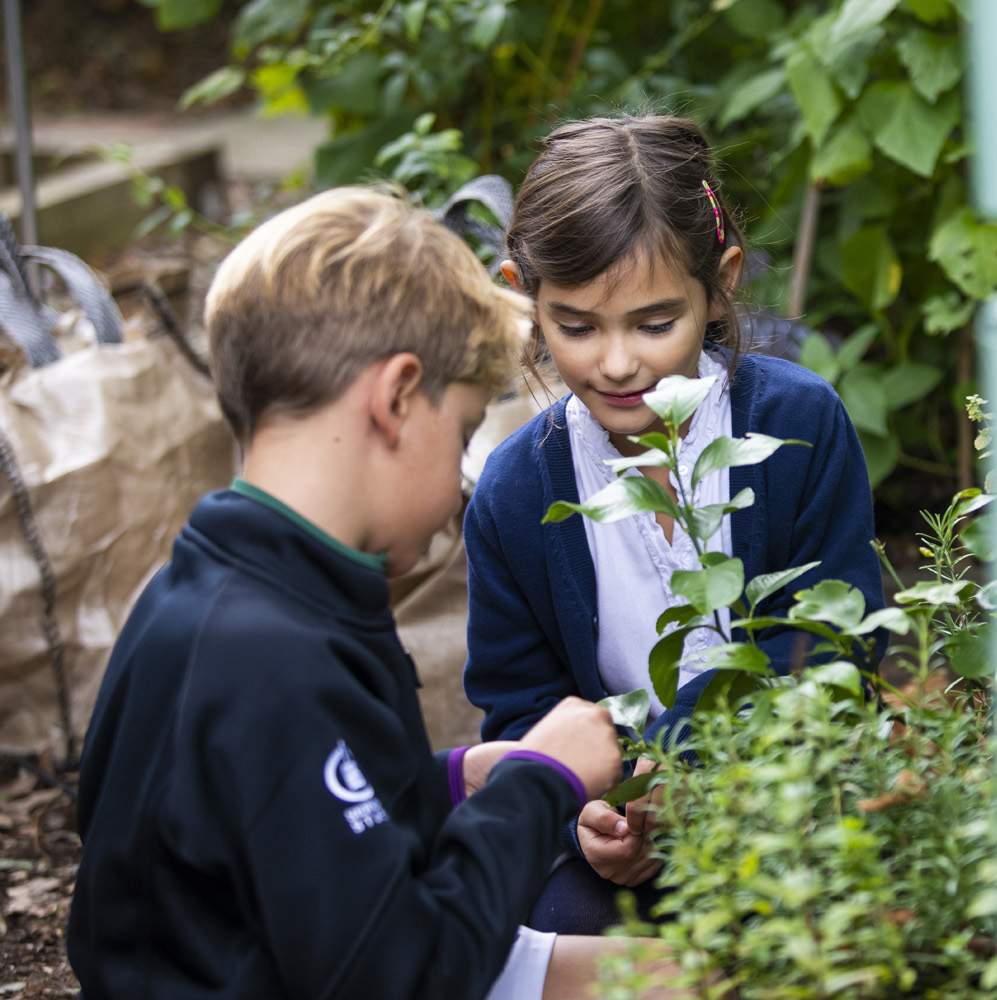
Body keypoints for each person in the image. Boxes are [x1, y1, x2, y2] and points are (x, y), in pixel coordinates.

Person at [66, 187, 672, 1000]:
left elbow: (292, 833)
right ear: (394, 400)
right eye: (459, 433)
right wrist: (541, 782)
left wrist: (460, 778)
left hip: (316, 960)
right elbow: (401, 973)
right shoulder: (271, 661)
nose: (460, 480)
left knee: (691, 978)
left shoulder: (215, 592)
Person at [463, 115, 886, 934]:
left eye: (655, 323)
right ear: (524, 295)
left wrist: (680, 762)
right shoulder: (516, 494)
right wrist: (583, 823)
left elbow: (836, 644)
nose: (617, 363)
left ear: (721, 282)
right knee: (540, 935)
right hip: (627, 851)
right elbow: (519, 712)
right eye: (575, 326)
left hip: (796, 807)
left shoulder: (798, 429)